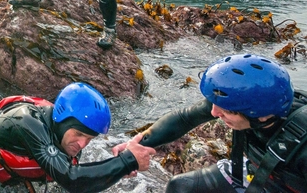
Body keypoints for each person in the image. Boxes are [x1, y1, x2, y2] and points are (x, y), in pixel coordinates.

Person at [112, 54, 307, 193]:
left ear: (262, 116)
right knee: (181, 187)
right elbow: (185, 118)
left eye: (225, 110)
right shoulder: (245, 104)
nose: (214, 112)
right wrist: (136, 146)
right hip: (259, 175)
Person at [0, 82, 156, 193]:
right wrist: (126, 161)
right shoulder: (26, 122)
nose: (82, 144)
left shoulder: (68, 138)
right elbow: (73, 181)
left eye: (90, 139)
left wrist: (117, 169)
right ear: (62, 121)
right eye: (79, 134)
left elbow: (78, 182)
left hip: (13, 164)